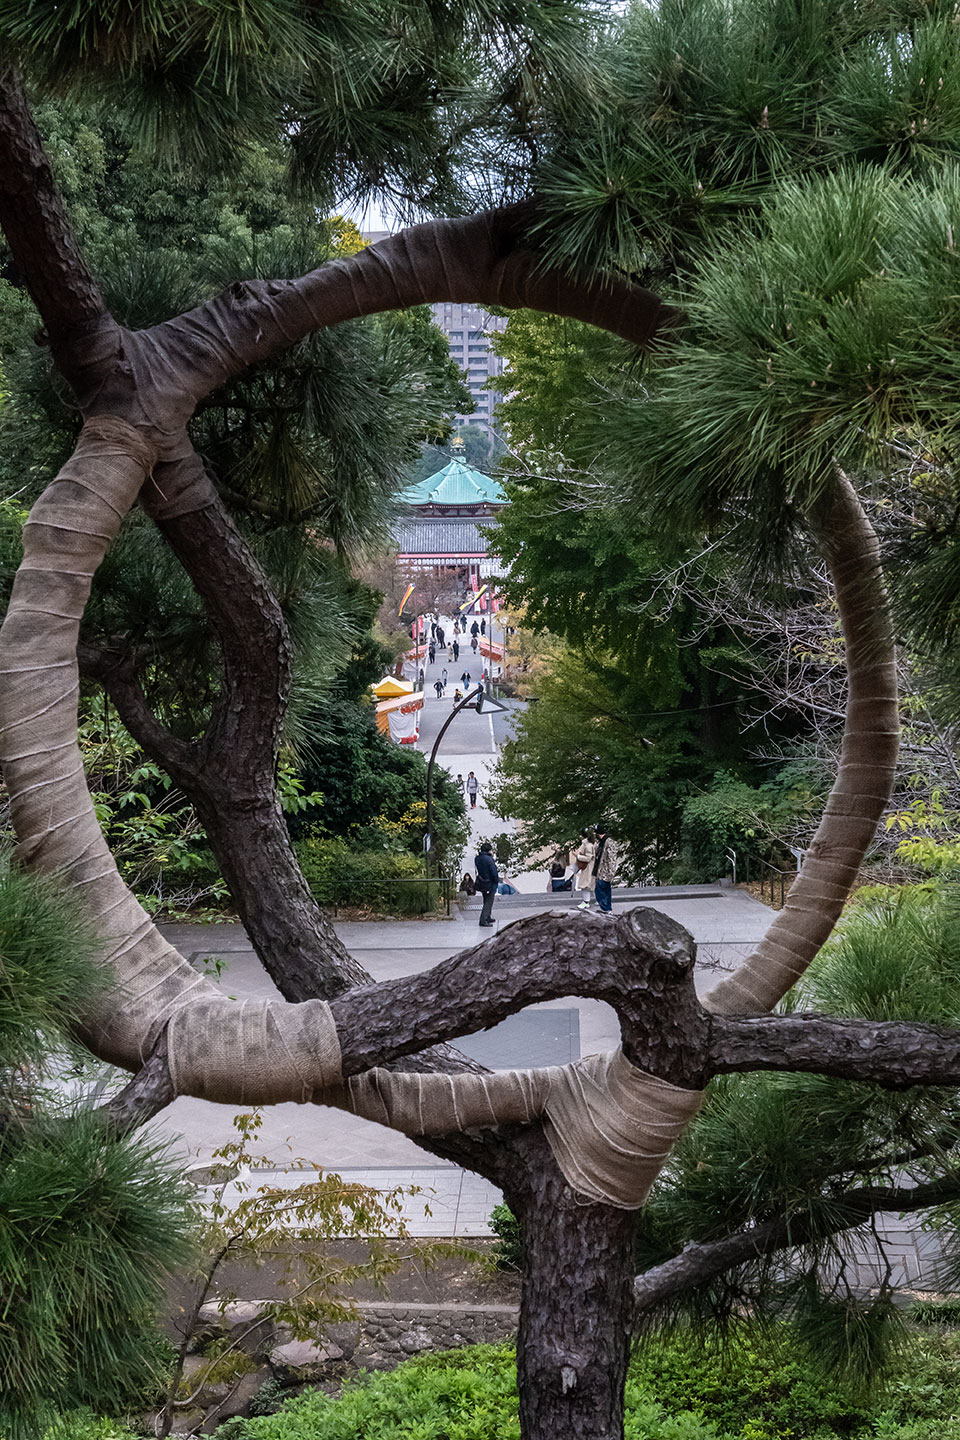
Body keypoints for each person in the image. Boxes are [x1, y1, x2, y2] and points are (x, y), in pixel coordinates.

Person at [594, 822, 619, 917]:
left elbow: (612, 859)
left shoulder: (609, 842)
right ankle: (607, 909)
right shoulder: (601, 842)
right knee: (603, 890)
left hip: (605, 872)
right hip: (600, 871)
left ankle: (606, 909)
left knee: (601, 890)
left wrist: (611, 873)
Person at [475, 840, 499, 926]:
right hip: (490, 882)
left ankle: (488, 916)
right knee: (489, 901)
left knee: (486, 899)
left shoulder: (477, 858)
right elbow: (493, 871)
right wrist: (496, 880)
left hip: (482, 882)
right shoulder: (489, 859)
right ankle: (483, 919)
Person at [575, 827, 597, 909]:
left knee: (585, 885)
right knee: (590, 884)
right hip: (589, 866)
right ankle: (597, 900)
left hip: (587, 867)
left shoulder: (587, 845)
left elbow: (588, 858)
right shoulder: (592, 843)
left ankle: (586, 902)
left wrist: (578, 856)